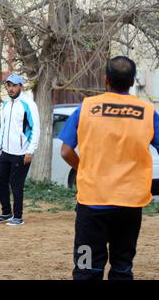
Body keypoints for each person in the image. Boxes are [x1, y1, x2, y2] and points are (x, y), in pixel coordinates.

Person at [59, 56, 159, 280]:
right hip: (130, 204)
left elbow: (65, 151)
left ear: (105, 80)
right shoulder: (147, 112)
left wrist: (83, 168)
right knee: (122, 266)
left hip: (92, 204)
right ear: (132, 82)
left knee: (86, 265)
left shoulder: (86, 108)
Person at [0, 74, 40, 226]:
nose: (10, 89)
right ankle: (6, 213)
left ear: (20, 86)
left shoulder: (29, 104)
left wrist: (30, 150)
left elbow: (35, 129)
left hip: (22, 152)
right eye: (8, 85)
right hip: (6, 151)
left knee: (16, 184)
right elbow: (4, 127)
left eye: (13, 85)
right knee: (0, 180)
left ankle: (18, 216)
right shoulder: (6, 104)